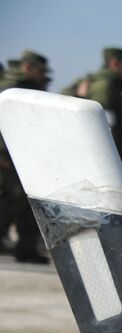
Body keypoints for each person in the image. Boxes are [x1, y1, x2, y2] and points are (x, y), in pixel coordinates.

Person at [0, 51, 51, 263]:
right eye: (41, 70)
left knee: (27, 204)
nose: (44, 76)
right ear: (28, 67)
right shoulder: (11, 88)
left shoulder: (30, 88)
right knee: (8, 203)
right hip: (7, 158)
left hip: (24, 157)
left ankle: (26, 249)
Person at [85, 48, 122, 182]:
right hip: (110, 169)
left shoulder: (113, 87)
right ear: (115, 63)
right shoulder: (104, 87)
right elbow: (104, 130)